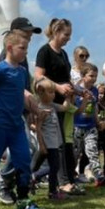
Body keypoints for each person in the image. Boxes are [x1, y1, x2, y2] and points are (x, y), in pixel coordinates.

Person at [0, 30, 43, 209]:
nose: (25, 52)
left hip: (17, 127)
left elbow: (21, 95)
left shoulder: (22, 72)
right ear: (10, 48)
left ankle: (22, 202)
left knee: (23, 162)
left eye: (27, 49)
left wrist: (35, 111)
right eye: (23, 48)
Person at [34, 19, 77, 193]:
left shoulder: (64, 54)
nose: (68, 39)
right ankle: (58, 181)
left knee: (61, 145)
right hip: (48, 104)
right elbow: (38, 76)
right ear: (56, 32)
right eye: (66, 35)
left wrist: (76, 91)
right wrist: (58, 87)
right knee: (52, 147)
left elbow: (67, 79)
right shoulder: (44, 51)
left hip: (62, 104)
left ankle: (60, 179)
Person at [73, 63, 102, 184]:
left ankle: (98, 174)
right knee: (75, 153)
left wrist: (97, 121)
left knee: (92, 150)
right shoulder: (76, 89)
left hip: (90, 127)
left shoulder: (95, 90)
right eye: (91, 76)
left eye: (95, 76)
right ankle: (71, 175)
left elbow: (95, 107)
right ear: (83, 76)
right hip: (77, 126)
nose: (94, 79)